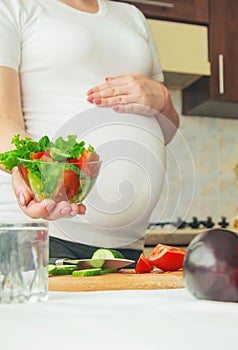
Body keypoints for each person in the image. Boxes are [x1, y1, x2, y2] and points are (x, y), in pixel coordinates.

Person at [0, 0, 179, 263]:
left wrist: (163, 99)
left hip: (127, 246)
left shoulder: (132, 16)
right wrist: (33, 172)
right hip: (41, 236)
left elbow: (167, 131)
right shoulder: (14, 6)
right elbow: (4, 117)